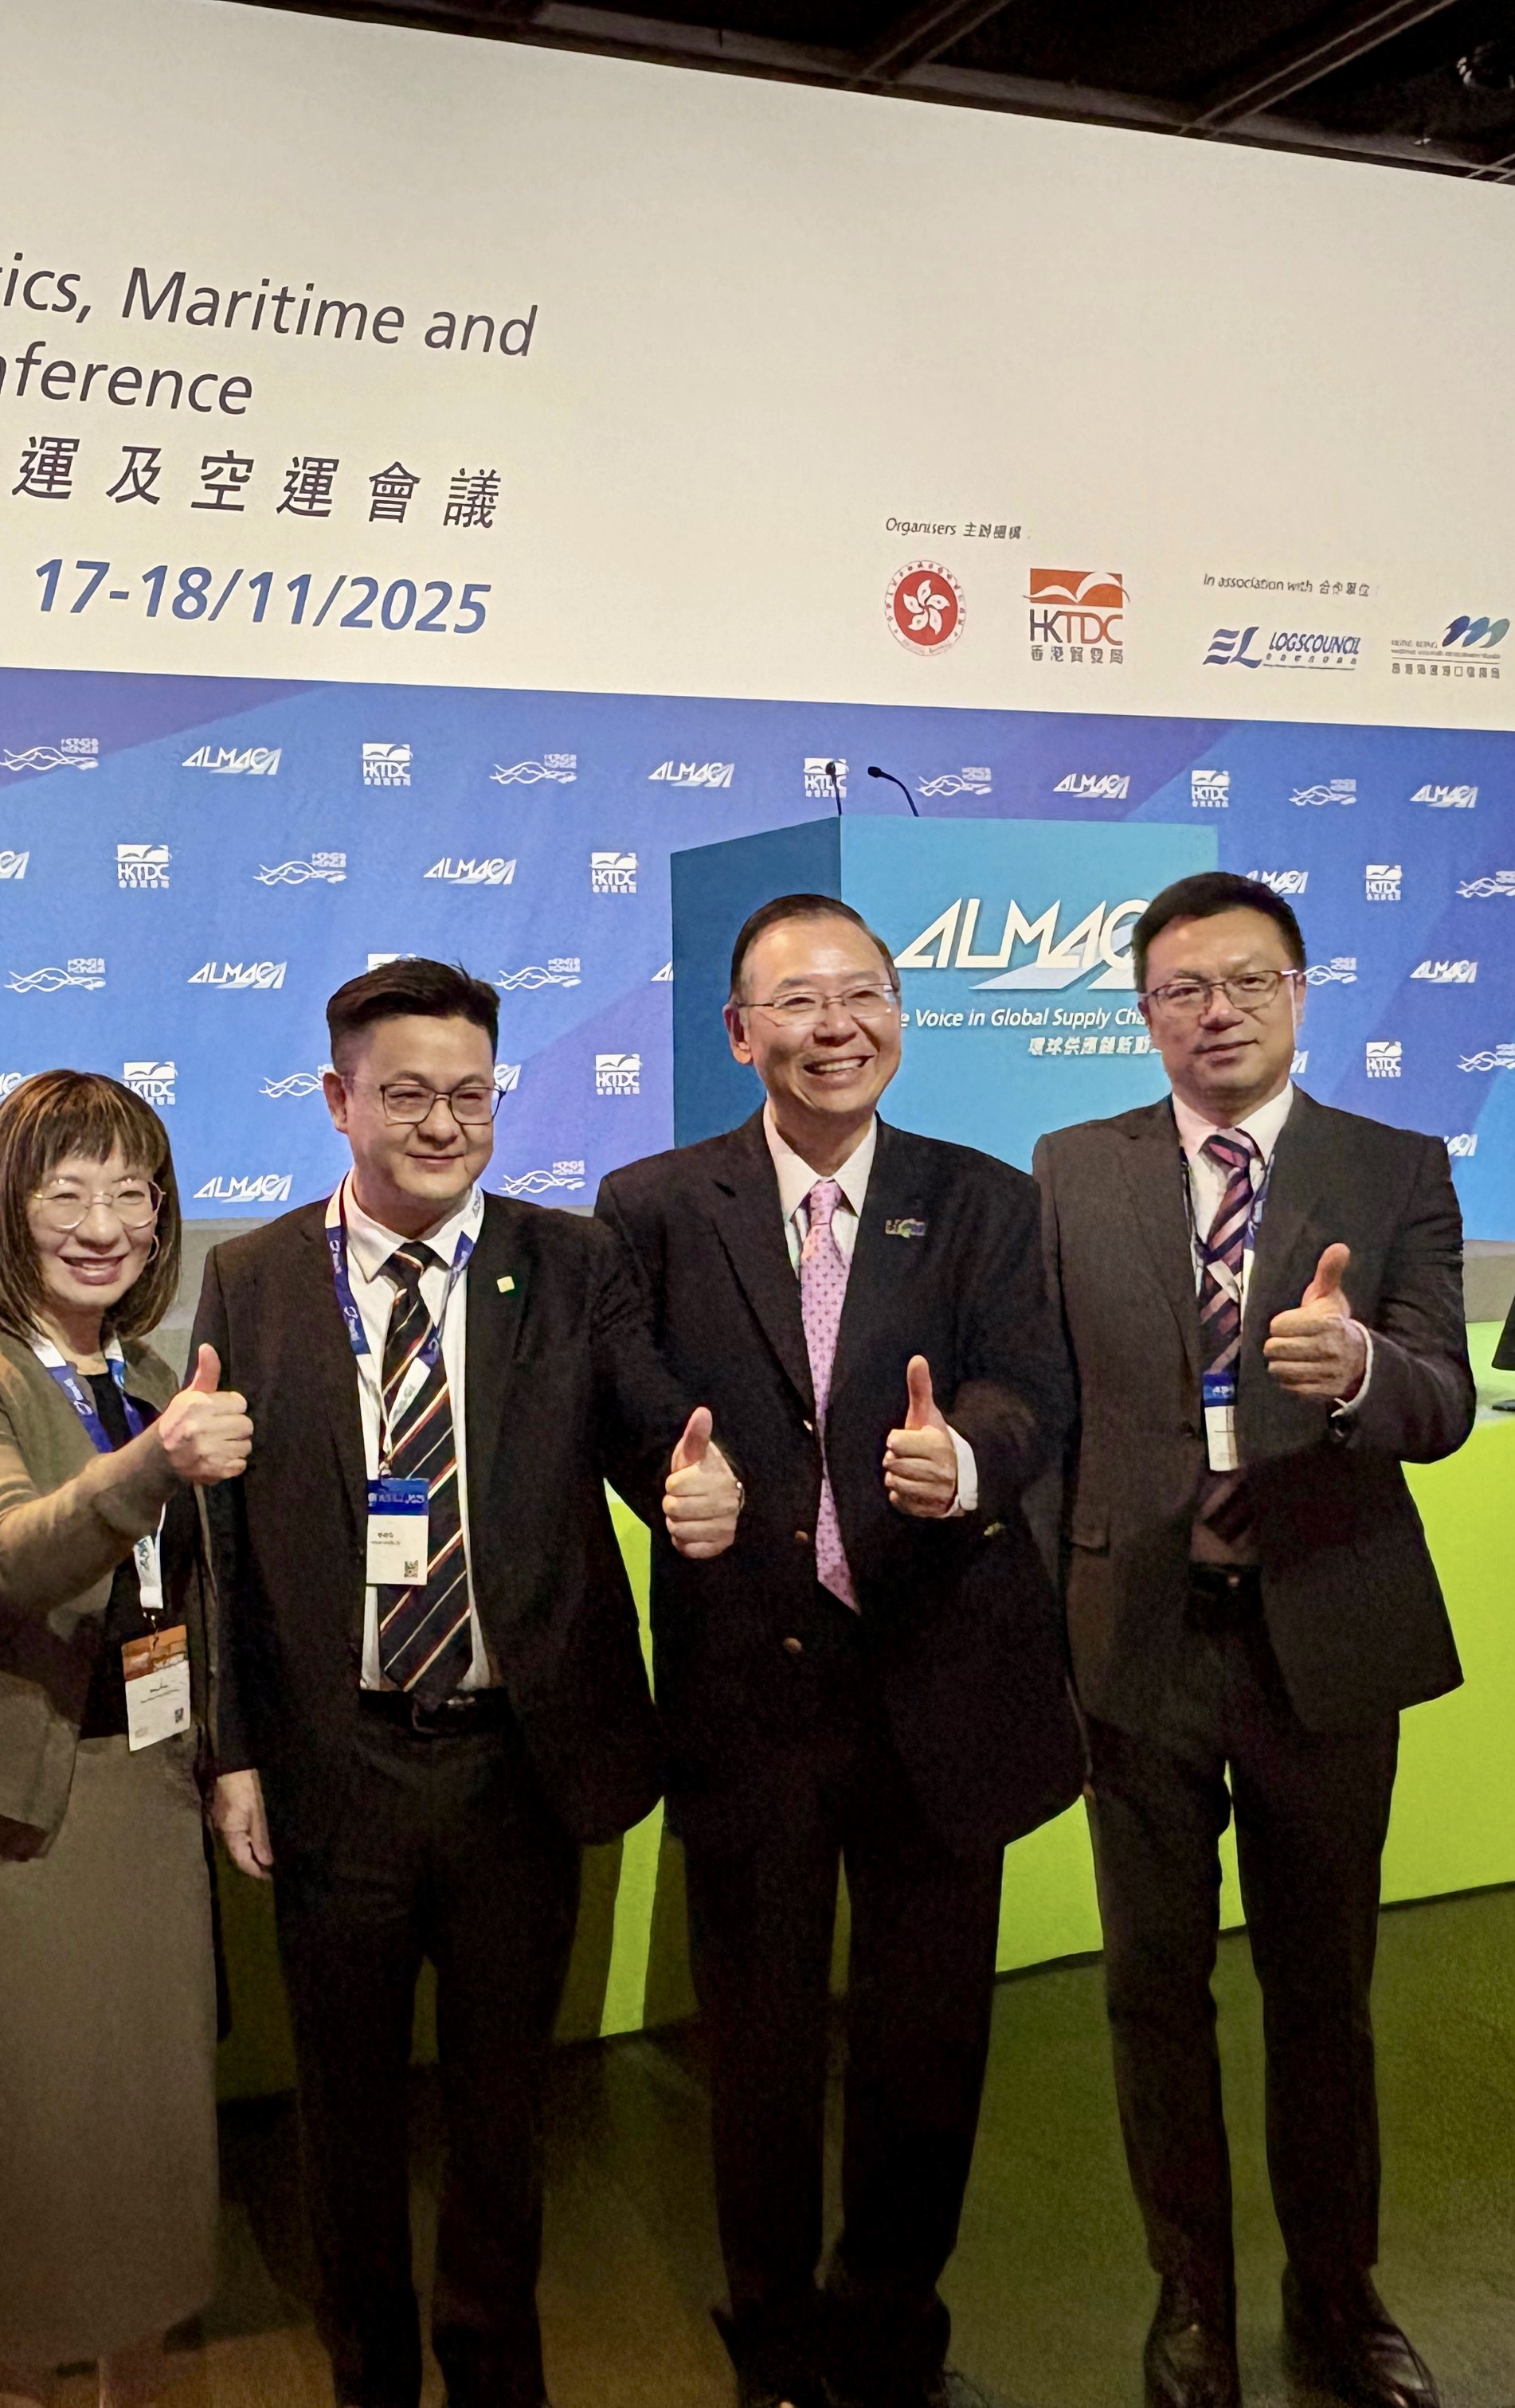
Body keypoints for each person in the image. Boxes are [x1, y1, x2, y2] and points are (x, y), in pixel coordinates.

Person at [194, 956, 745, 2408]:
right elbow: (222, 1545)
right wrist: (231, 1749)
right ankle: (367, 2373)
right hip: (339, 1763)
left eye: (471, 1095)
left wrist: (691, 1482)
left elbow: (644, 1421)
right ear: (338, 1100)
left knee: (506, 2112)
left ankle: (499, 2373)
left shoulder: (568, 1260)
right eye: (408, 1096)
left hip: (518, 1763)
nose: (444, 1125)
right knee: (348, 2115)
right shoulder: (254, 1279)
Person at [594, 893, 1079, 2408]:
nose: (835, 1027)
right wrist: (666, 1485)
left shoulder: (985, 1198)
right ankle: (773, 2332)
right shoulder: (652, 1204)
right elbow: (627, 1395)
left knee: (928, 2038)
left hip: (942, 1673)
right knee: (758, 2038)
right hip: (751, 1682)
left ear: (899, 1016)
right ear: (740, 1032)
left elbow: (1030, 1387)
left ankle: (894, 2327)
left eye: (862, 994)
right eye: (797, 1003)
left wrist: (969, 1459)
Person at [1032, 871, 1472, 2408]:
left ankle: (1338, 2297)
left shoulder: (1392, 1166)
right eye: (1182, 990)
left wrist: (1361, 1370)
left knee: (1323, 1992)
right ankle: (1192, 2304)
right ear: (1145, 1012)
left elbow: (1445, 1400)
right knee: (1152, 1989)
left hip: (1324, 1640)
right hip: (1140, 1641)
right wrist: (1050, 1615)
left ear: (1298, 991)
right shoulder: (1071, 1171)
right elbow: (1052, 1414)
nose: (1215, 1013)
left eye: (1246, 983)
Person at [0, 1070, 252, 2407]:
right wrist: (153, 1467)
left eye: (132, 1193)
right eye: (68, 1192)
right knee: (32, 2168)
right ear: (5, 1208)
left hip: (144, 1800)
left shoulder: (140, 1373)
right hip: (9, 1825)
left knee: (151, 2150)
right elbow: (7, 1551)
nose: (105, 1225)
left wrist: (225, 1761)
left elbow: (187, 1599)